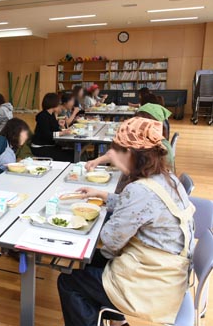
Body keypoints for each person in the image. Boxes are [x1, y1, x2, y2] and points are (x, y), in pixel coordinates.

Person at [58, 117, 194, 326]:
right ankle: (118, 322)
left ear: (130, 153)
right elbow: (138, 207)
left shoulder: (139, 189)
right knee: (91, 261)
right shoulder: (167, 178)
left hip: (153, 284)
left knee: (69, 282)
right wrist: (102, 195)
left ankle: (113, 317)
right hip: (170, 271)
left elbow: (110, 241)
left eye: (117, 153)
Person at [31, 93, 73, 162]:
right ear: (53, 104)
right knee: (70, 156)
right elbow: (47, 135)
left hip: (49, 145)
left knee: (71, 152)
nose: (60, 106)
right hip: (40, 148)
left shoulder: (51, 115)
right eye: (58, 104)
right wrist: (62, 133)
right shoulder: (43, 116)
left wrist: (61, 127)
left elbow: (55, 130)